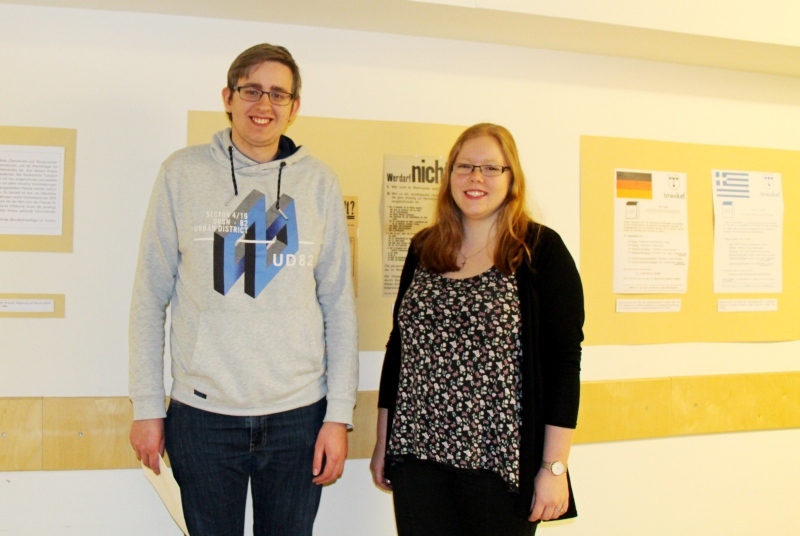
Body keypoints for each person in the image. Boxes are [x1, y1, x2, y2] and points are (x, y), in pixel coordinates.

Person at [128, 43, 358, 536]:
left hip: (299, 415)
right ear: (228, 97)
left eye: (279, 94)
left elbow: (339, 305)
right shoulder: (181, 173)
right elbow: (150, 297)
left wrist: (338, 416)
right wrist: (147, 407)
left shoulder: (318, 183)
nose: (264, 104)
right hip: (203, 416)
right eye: (251, 90)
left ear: (295, 107)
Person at [370, 123, 584, 535]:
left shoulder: (539, 250)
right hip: (418, 455)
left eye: (490, 168)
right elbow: (399, 351)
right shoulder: (423, 248)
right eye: (464, 166)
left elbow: (564, 363)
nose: (476, 178)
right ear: (449, 175)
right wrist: (383, 443)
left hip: (499, 463)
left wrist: (554, 468)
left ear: (511, 178)